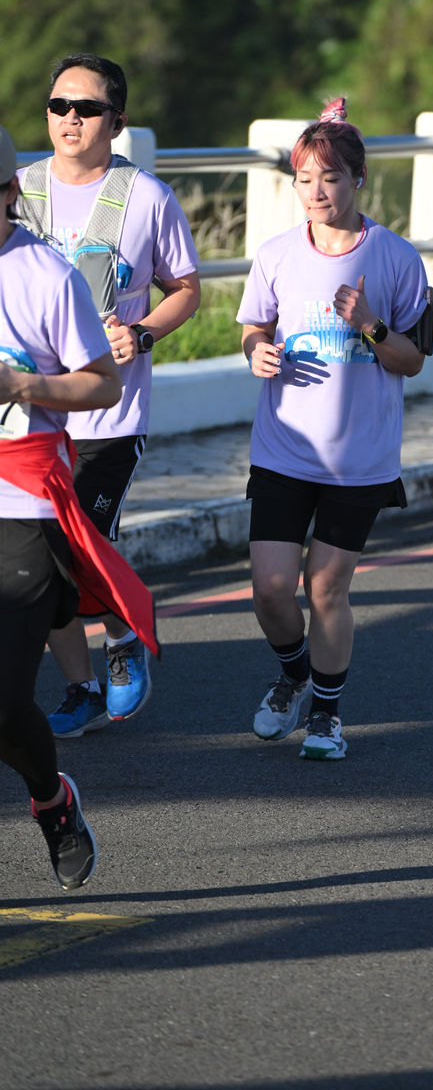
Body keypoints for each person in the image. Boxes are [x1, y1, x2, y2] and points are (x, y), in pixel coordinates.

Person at [237, 97, 430, 760]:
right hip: (283, 448)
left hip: (359, 457)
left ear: (358, 179)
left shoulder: (398, 259)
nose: (316, 191)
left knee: (325, 587)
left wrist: (370, 324)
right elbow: (253, 326)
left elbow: (411, 359)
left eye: (330, 178)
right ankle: (294, 674)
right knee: (270, 590)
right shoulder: (276, 254)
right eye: (303, 179)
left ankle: (326, 715)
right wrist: (255, 351)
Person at [15, 53, 200, 737]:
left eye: (87, 108)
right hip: (29, 416)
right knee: (37, 558)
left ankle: (122, 637)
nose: (70, 119)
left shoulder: (147, 198)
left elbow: (186, 289)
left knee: (76, 548)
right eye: (59, 105)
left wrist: (142, 334)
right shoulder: (18, 191)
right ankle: (81, 687)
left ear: (116, 122)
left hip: (109, 415)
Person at [0, 124, 157, 889]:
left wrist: (23, 385)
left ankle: (52, 802)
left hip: (21, 501)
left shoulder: (44, 275)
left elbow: (101, 383)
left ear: (7, 193)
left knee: (4, 704)